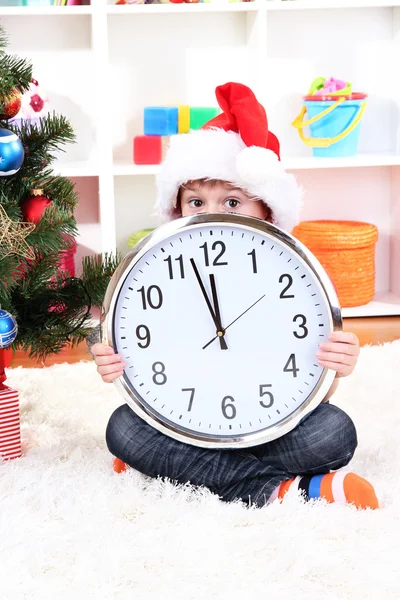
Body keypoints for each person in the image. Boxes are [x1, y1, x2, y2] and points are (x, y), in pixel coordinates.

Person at [90, 82, 378, 510]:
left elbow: (310, 384)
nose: (211, 213)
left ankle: (174, 467)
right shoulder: (154, 268)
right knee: (123, 429)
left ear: (266, 210)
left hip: (270, 421)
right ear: (177, 207)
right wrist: (106, 354)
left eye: (232, 201)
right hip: (180, 419)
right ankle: (285, 491)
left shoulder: (293, 274)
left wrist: (338, 366)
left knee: (334, 434)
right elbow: (123, 340)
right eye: (195, 200)